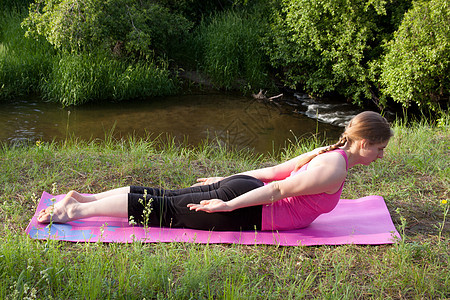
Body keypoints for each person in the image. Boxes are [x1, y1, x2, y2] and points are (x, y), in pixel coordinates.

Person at [38, 111, 393, 231]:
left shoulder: (329, 153)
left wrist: (225, 183)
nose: (380, 155)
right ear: (363, 143)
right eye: (379, 148)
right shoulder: (333, 168)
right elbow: (277, 190)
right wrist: (228, 203)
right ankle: (77, 210)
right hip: (251, 206)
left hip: (244, 191)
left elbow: (273, 170)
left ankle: (86, 199)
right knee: (163, 211)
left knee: (165, 198)